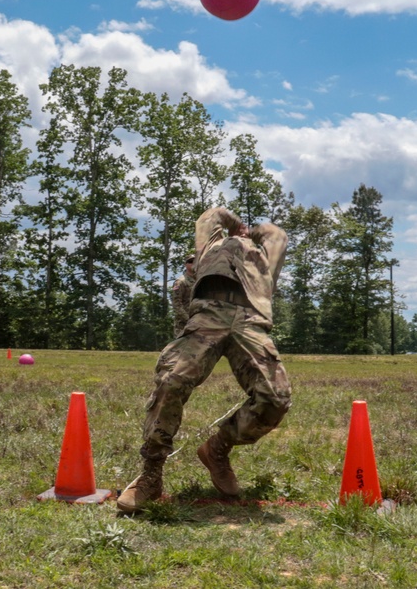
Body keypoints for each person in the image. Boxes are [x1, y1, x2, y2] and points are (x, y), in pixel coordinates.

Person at [117, 206, 292, 514]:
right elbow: (211, 215)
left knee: (276, 398)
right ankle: (151, 475)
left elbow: (276, 235)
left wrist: (250, 233)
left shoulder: (264, 258)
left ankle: (217, 450)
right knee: (172, 380)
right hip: (208, 316)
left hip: (251, 321)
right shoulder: (210, 245)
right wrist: (235, 225)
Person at [171, 254, 196, 337]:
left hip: (198, 322)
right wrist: (188, 319)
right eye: (190, 261)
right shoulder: (180, 282)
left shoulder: (200, 280)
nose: (193, 263)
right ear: (185, 264)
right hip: (183, 325)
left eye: (195, 261)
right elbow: (176, 304)